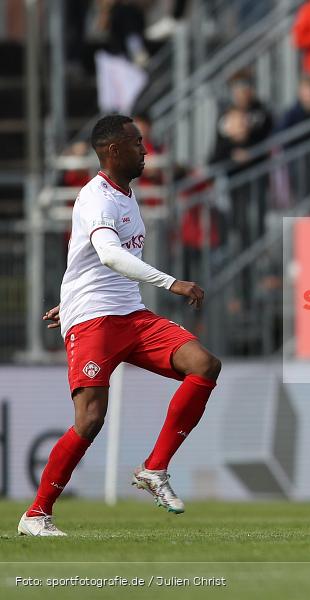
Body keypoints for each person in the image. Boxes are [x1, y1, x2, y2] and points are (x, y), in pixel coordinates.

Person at [17, 115, 222, 537]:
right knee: (90, 420)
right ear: (113, 150)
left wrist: (70, 296)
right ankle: (36, 514)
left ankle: (154, 467)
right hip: (95, 320)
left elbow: (89, 259)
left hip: (129, 313)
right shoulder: (97, 198)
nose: (146, 149)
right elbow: (109, 255)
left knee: (203, 364)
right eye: (137, 142)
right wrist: (172, 283)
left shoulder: (126, 195)